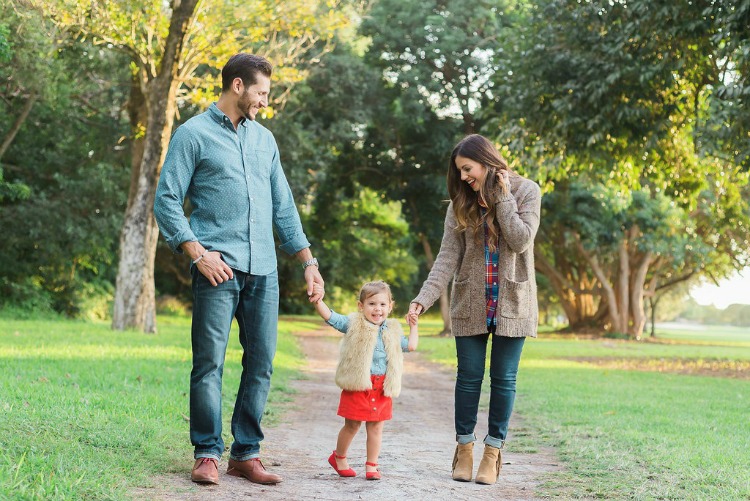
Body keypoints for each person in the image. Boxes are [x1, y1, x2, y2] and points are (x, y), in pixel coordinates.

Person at [153, 53, 324, 486]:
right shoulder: (193, 134)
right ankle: (207, 453)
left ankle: (246, 454)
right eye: (262, 93)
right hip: (217, 268)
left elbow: (283, 207)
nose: (265, 102)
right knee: (209, 362)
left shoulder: (265, 140)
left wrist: (308, 262)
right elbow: (167, 200)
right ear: (237, 86)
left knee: (262, 362)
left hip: (264, 269)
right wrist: (197, 253)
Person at [407, 134, 541, 486]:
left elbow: (521, 238)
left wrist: (502, 197)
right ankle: (464, 448)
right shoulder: (459, 205)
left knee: (504, 379)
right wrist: (424, 298)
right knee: (468, 378)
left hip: (514, 302)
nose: (464, 177)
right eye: (460, 172)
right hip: (470, 301)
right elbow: (447, 258)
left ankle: (493, 451)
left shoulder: (527, 191)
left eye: (468, 169)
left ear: (486, 161)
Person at [311, 281, 418, 480]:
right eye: (372, 304)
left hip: (382, 387)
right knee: (352, 425)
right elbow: (330, 317)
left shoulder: (393, 330)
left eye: (382, 304)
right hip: (358, 384)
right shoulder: (354, 324)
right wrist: (319, 302)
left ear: (390, 306)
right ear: (361, 306)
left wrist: (413, 327)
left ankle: (372, 466)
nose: (377, 309)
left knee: (376, 427)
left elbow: (410, 346)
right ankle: (339, 457)